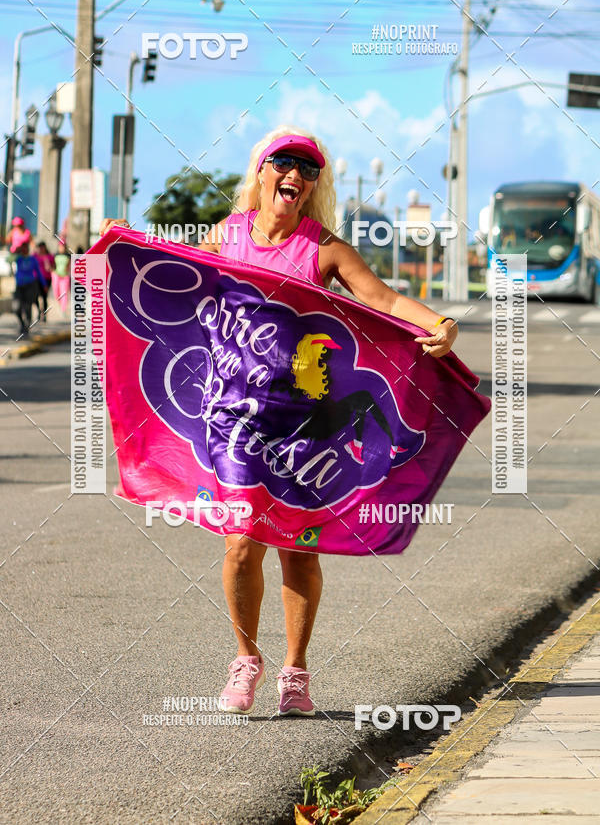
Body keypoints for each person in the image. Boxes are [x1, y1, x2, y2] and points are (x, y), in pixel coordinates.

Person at [100, 126, 458, 718]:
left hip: (304, 427)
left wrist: (437, 322)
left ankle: (295, 670)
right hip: (235, 420)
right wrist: (120, 248)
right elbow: (176, 280)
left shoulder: (327, 249)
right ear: (262, 172)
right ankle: (246, 658)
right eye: (284, 163)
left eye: (308, 169)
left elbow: (388, 302)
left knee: (300, 549)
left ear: (314, 184)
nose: (295, 174)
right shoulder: (227, 235)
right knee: (241, 542)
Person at [14, 242, 46, 335]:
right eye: (22, 248)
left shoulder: (33, 260)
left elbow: (39, 273)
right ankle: (22, 323)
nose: (24, 250)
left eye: (25, 248)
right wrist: (16, 251)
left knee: (27, 306)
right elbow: (9, 259)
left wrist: (44, 284)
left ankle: (27, 325)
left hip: (30, 285)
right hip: (19, 286)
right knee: (16, 307)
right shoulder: (18, 259)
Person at [33, 241, 55, 321]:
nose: (41, 249)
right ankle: (39, 310)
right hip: (37, 279)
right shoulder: (35, 256)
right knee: (35, 296)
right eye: (40, 247)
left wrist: (50, 267)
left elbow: (54, 266)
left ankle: (44, 315)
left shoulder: (49, 256)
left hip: (47, 279)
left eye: (42, 247)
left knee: (44, 297)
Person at [51, 244, 71, 316]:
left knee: (64, 293)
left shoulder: (68, 256)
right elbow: (52, 265)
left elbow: (69, 265)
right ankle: (60, 304)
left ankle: (63, 308)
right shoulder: (55, 255)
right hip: (56, 275)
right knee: (56, 292)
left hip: (65, 276)